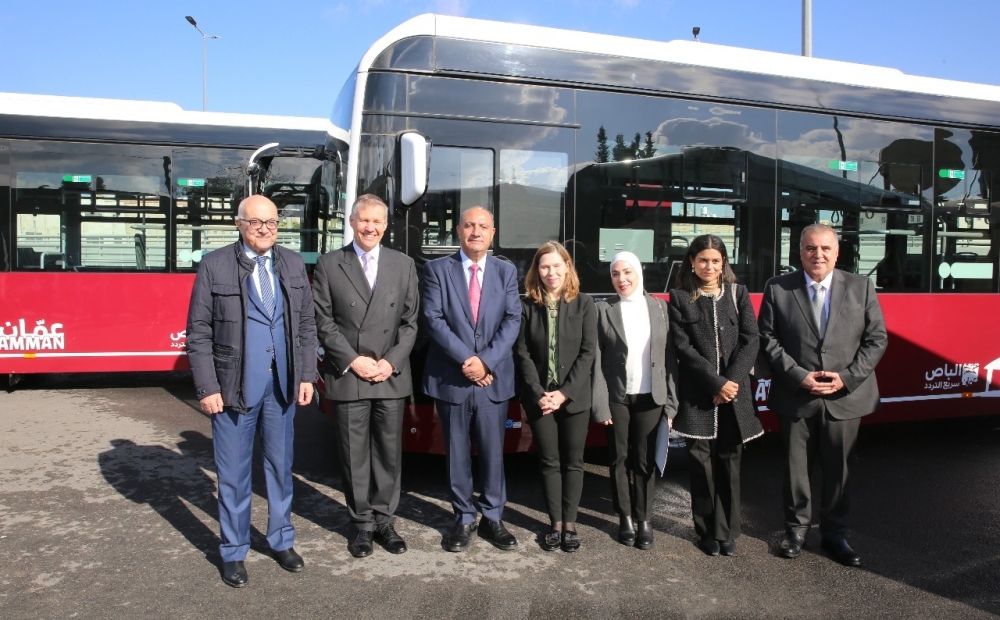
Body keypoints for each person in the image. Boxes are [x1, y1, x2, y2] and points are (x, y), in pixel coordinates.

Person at [186, 194, 317, 588]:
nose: (265, 229)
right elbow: (198, 332)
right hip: (233, 389)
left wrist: (306, 375)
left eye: (272, 222)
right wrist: (207, 386)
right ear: (239, 224)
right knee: (233, 475)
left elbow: (306, 325)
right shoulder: (215, 265)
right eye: (256, 222)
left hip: (281, 386)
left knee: (280, 469)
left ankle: (281, 540)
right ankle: (233, 550)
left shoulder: (292, 262)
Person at [757, 223, 887, 567]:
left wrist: (846, 378)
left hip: (844, 397)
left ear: (837, 252)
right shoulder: (778, 288)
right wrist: (799, 377)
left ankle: (835, 535)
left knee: (838, 471)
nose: (818, 255)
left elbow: (877, 339)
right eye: (811, 248)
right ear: (800, 251)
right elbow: (767, 338)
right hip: (796, 396)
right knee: (795, 470)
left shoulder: (860, 286)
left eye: (826, 248)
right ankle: (796, 532)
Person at [312, 194, 419, 558]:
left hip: (389, 375)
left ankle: (385, 522)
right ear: (352, 222)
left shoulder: (403, 264)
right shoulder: (329, 264)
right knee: (353, 455)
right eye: (364, 220)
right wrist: (353, 360)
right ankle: (362, 525)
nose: (370, 228)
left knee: (389, 454)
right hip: (349, 374)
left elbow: (410, 322)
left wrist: (391, 361)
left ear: (386, 226)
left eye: (377, 221)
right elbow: (323, 321)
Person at [421, 206, 522, 552]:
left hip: (492, 380)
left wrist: (486, 362)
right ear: (459, 231)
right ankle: (463, 518)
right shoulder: (436, 270)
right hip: (453, 377)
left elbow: (512, 319)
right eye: (469, 225)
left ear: (493, 233)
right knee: (456, 454)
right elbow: (433, 319)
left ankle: (493, 518)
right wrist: (468, 360)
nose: (475, 232)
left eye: (483, 226)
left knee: (494, 453)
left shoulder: (506, 272)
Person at [668, 235, 763, 557]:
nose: (709, 266)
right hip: (699, 395)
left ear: (723, 264)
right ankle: (706, 530)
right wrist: (715, 383)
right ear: (692, 262)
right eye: (703, 260)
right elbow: (683, 347)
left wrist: (731, 382)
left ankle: (727, 531)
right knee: (701, 464)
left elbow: (751, 340)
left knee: (729, 461)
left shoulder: (738, 293)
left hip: (734, 395)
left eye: (715, 261)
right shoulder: (679, 297)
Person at [513, 242, 597, 553]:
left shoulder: (584, 303)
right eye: (544, 266)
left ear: (567, 267)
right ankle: (555, 524)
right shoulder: (526, 305)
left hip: (573, 397)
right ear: (537, 270)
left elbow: (588, 353)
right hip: (539, 398)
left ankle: (571, 524)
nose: (551, 272)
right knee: (548, 461)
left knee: (573, 462)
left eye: (556, 266)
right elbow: (521, 353)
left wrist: (563, 393)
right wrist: (538, 393)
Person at [592, 251, 677, 550]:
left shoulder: (660, 308)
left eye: (627, 272)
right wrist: (600, 404)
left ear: (639, 273)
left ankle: (644, 519)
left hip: (651, 397)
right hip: (617, 397)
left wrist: (671, 404)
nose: (622, 279)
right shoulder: (603, 309)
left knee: (644, 460)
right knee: (619, 459)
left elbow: (670, 359)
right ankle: (625, 517)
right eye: (615, 274)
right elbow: (596, 361)